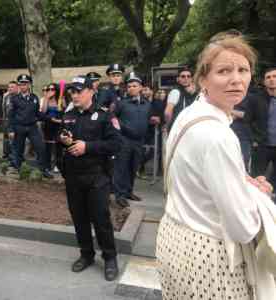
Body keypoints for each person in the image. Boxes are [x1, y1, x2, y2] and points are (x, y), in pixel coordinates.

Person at [156, 32, 275, 299]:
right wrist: (260, 195)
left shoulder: (188, 115)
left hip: (173, 237)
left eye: (243, 69)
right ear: (202, 79)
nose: (236, 79)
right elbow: (242, 227)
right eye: (223, 70)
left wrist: (241, 181)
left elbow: (197, 176)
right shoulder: (219, 136)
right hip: (209, 257)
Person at [60, 75, 122, 281]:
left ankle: (110, 258)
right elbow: (62, 140)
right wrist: (65, 141)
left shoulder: (104, 116)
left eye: (79, 91)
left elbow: (115, 144)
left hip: (97, 177)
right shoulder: (68, 115)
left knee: (100, 219)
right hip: (74, 177)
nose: (75, 95)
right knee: (79, 219)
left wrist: (88, 146)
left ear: (91, 91)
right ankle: (86, 254)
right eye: (72, 92)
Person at [113, 74, 157, 206]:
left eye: (134, 86)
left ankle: (128, 191)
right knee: (122, 168)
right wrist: (121, 129)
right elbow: (113, 118)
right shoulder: (121, 104)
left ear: (141, 88)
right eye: (129, 86)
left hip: (139, 141)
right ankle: (119, 195)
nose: (131, 88)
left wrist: (152, 121)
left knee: (133, 167)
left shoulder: (147, 104)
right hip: (124, 140)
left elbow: (149, 119)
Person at [8, 74, 53, 178]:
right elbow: (11, 116)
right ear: (19, 85)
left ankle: (43, 170)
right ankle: (18, 170)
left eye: (25, 84)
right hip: (19, 127)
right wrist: (11, 130)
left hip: (32, 127)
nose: (23, 86)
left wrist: (50, 118)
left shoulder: (34, 98)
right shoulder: (14, 99)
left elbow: (37, 114)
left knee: (41, 147)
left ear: (29, 85)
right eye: (21, 84)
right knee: (19, 149)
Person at [247, 66, 276, 189]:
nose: (271, 79)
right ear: (264, 82)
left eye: (274, 76)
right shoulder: (256, 99)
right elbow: (247, 121)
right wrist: (253, 140)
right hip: (261, 146)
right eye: (268, 77)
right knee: (256, 180)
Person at [40, 83, 65, 172]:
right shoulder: (46, 100)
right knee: (48, 146)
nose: (50, 91)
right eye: (48, 89)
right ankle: (47, 165)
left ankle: (58, 165)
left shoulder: (61, 100)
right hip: (48, 125)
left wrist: (60, 109)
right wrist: (46, 98)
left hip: (58, 126)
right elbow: (43, 112)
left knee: (58, 146)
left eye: (52, 89)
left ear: (56, 90)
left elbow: (65, 114)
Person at [2, 81, 18, 159]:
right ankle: (6, 154)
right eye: (9, 87)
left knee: (14, 140)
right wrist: (4, 119)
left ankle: (15, 156)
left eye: (12, 87)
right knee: (6, 139)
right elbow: (4, 109)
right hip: (7, 120)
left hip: (16, 122)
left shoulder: (19, 97)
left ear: (17, 88)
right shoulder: (6, 97)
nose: (10, 89)